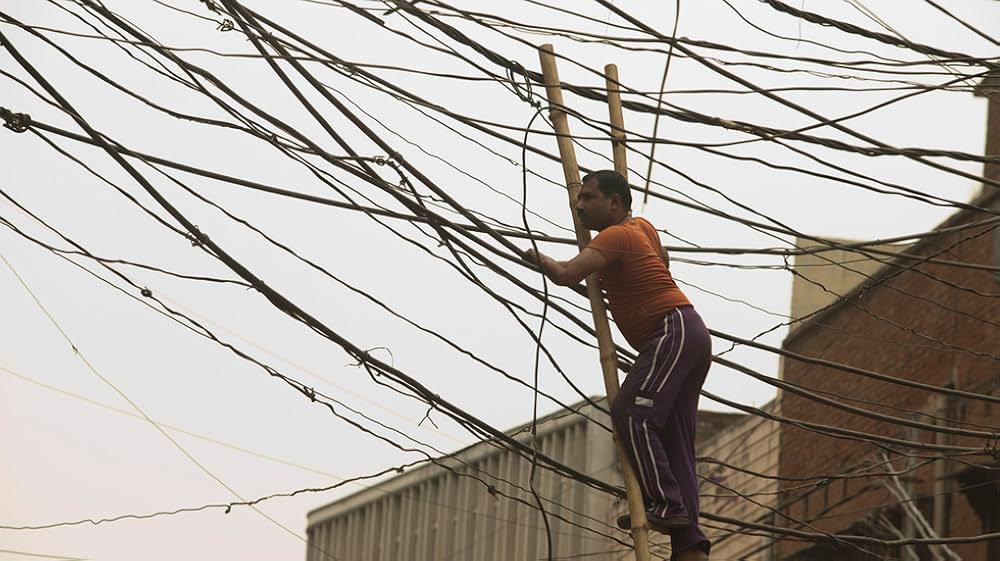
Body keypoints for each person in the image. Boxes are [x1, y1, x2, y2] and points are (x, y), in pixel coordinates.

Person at [523, 170, 711, 561]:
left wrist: (535, 257)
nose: (578, 205)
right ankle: (690, 544)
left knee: (633, 412)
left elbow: (564, 274)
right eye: (579, 198)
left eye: (588, 197)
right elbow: (662, 260)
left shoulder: (615, 235)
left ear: (614, 203)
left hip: (670, 330)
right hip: (686, 331)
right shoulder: (641, 227)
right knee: (675, 440)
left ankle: (667, 504)